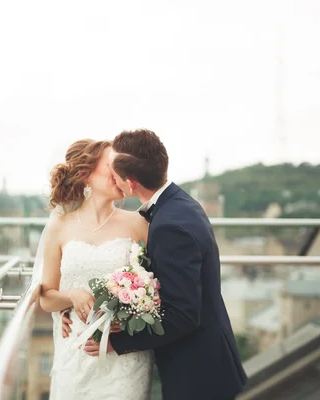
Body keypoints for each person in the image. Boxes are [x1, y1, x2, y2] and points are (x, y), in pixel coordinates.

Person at [80, 129, 248, 400]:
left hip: (197, 373)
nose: (114, 180)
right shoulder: (180, 204)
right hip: (206, 361)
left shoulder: (170, 226)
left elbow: (183, 316)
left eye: (116, 175)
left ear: (131, 184)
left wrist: (117, 342)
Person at [37, 139, 153, 400]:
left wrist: (129, 315)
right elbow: (46, 297)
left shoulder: (139, 223)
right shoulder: (60, 227)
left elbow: (157, 287)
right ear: (85, 175)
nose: (122, 173)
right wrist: (70, 297)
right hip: (76, 353)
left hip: (125, 361)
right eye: (113, 166)